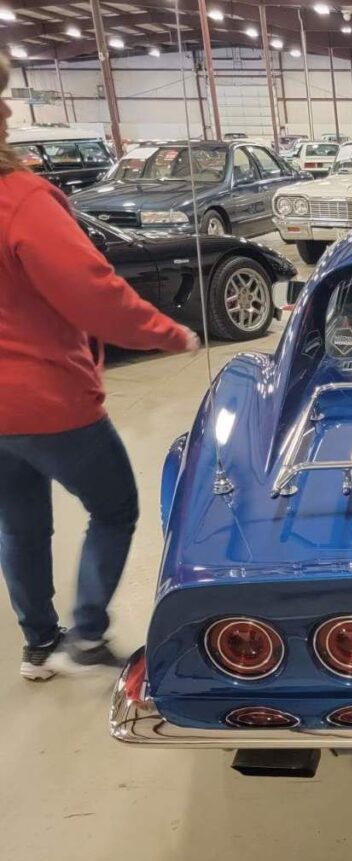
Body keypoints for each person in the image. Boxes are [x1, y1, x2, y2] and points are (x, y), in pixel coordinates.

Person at [0, 54, 200, 680]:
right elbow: (91, 289)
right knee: (114, 508)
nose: (8, 110)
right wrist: (169, 334)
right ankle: (84, 637)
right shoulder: (20, 199)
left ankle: (39, 643)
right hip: (43, 398)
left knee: (18, 522)